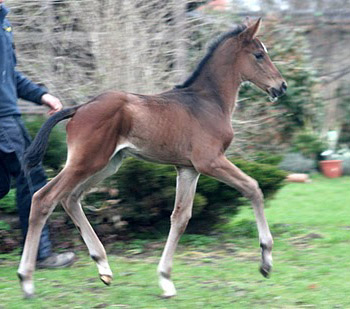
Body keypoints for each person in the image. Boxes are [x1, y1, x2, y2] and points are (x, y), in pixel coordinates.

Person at [0, 0, 75, 268]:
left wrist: (42, 95)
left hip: (8, 115)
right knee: (32, 178)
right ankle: (39, 254)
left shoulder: (3, 23)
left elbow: (10, 77)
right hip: (3, 119)